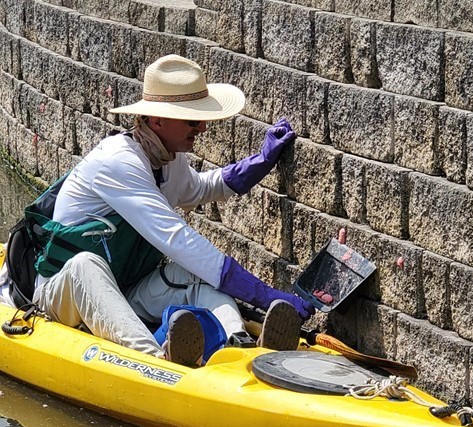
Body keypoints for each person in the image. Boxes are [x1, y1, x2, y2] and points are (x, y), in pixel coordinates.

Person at [0, 54, 314, 365]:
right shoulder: (118, 162)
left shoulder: (168, 159)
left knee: (192, 273)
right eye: (193, 119)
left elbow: (201, 189)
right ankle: (155, 361)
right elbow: (178, 240)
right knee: (86, 265)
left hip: (125, 292)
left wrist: (261, 161)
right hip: (59, 295)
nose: (202, 127)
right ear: (158, 120)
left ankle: (240, 343)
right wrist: (263, 294)